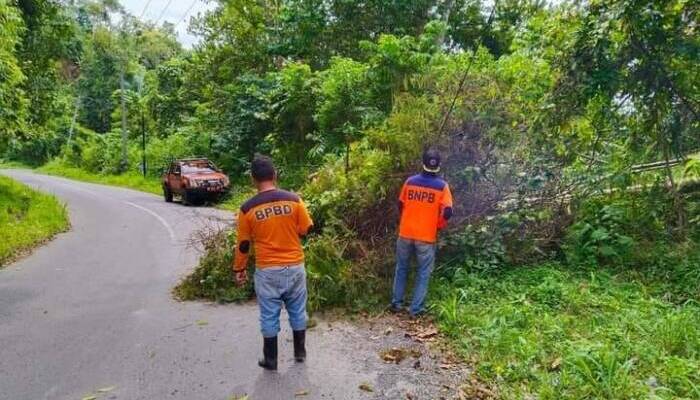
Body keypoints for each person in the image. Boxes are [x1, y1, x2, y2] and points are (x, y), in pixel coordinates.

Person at [232, 156, 314, 371]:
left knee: (269, 314)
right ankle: (300, 353)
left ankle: (270, 360)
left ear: (253, 179)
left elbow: (242, 244)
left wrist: (239, 269)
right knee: (297, 310)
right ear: (274, 175)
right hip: (295, 266)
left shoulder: (247, 208)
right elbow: (306, 228)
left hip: (267, 270)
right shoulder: (294, 200)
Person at [391, 148, 453, 317]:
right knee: (423, 272)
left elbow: (400, 204)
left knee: (401, 268)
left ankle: (396, 304)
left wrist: (406, 219)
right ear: (438, 165)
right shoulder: (442, 187)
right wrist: (438, 225)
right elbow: (448, 211)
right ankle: (415, 309)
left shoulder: (410, 182)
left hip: (405, 233)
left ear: (422, 163)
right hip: (426, 237)